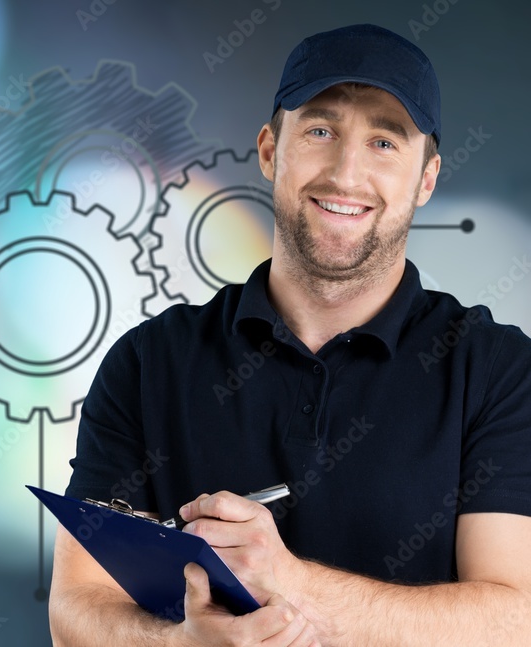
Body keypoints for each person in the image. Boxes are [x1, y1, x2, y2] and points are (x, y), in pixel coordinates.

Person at [49, 23, 531, 646]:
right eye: (321, 131)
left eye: (385, 142)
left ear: (427, 179)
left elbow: (516, 621)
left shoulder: (497, 370)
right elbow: (74, 611)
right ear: (271, 149)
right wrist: (175, 644)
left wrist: (289, 582)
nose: (346, 174)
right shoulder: (147, 364)